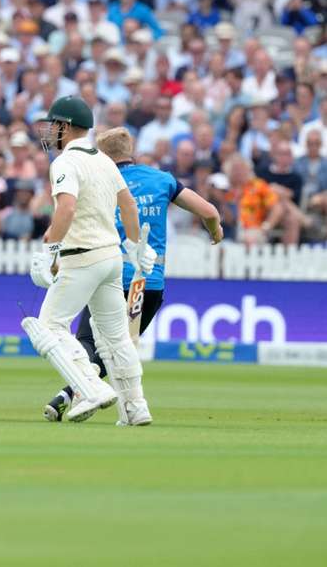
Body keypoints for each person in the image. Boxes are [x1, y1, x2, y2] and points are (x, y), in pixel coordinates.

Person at [43, 127, 224, 421]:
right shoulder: (162, 179)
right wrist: (215, 231)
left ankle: (79, 393)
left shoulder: (100, 177)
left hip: (108, 273)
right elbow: (209, 211)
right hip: (149, 282)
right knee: (119, 346)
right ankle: (126, 407)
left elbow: (71, 211)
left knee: (91, 342)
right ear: (131, 151)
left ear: (101, 153)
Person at [23, 96, 157, 425]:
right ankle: (136, 407)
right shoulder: (104, 160)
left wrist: (50, 251)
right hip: (111, 258)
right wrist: (135, 244)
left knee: (48, 327)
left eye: (53, 125)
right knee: (115, 338)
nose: (50, 131)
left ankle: (91, 387)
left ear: (66, 127)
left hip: (81, 257)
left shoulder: (66, 163)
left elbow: (66, 208)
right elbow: (128, 205)